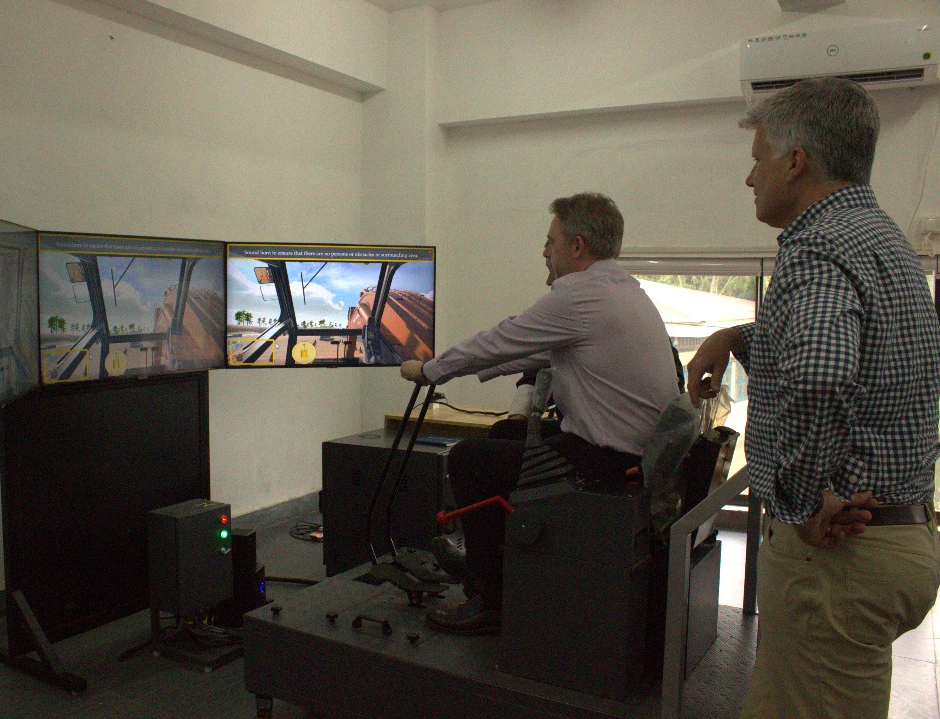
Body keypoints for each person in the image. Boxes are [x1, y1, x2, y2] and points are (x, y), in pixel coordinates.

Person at [686, 77, 940, 719]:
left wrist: (801, 501)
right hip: (896, 542)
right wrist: (733, 337)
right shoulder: (884, 241)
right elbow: (854, 349)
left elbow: (822, 374)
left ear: (795, 161)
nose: (750, 178)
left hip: (840, 555)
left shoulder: (816, 245)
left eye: (758, 159)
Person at [400, 192, 680, 634]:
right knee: (502, 437)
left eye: (551, 241)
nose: (544, 251)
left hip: (606, 461)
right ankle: (487, 560)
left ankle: (492, 598)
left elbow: (502, 339)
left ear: (577, 246)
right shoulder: (620, 289)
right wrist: (459, 371)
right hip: (628, 452)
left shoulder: (580, 295)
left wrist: (432, 371)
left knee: (468, 460)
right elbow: (530, 352)